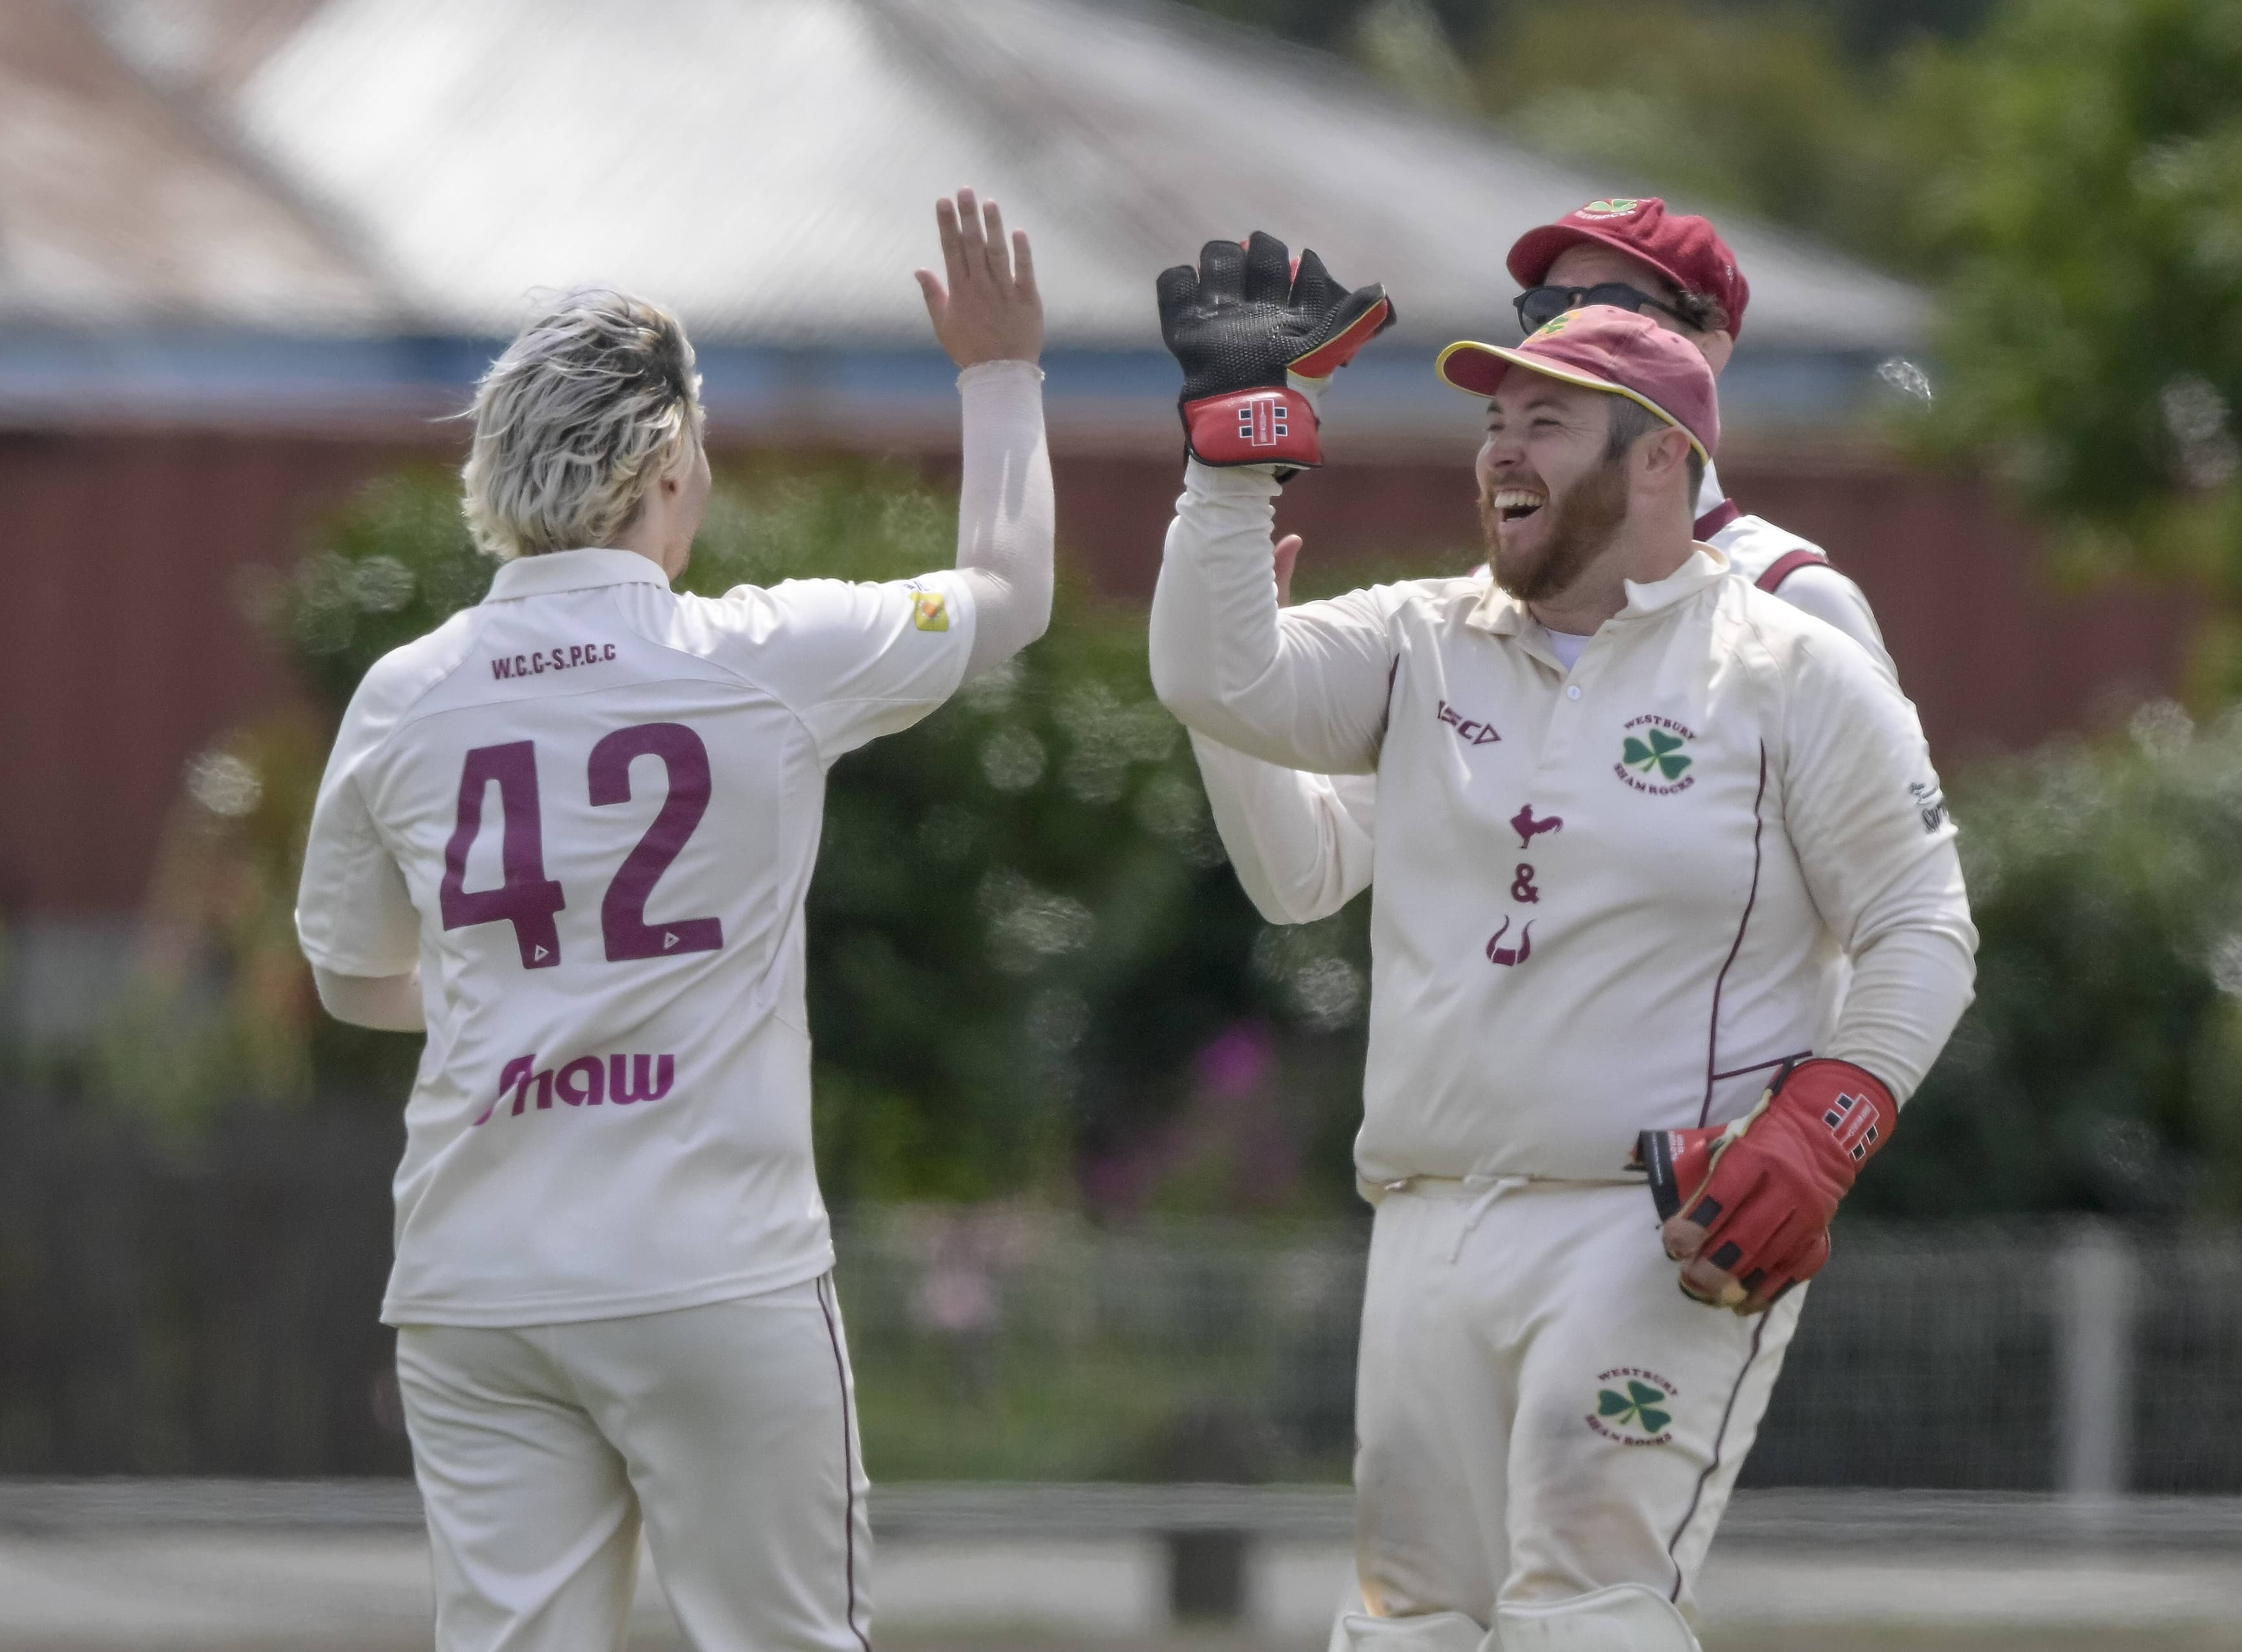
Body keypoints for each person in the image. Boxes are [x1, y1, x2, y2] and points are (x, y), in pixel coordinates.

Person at [1149, 237, 1976, 1650]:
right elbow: (1221, 680)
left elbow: (1920, 921)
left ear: (1659, 460)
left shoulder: (1790, 660)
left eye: (1545, 422)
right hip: (1426, 1213)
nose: (1499, 454)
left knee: (1586, 1608)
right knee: (1411, 1623)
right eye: (1491, 421)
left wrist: (1824, 1129)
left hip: (1651, 1220)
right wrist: (1230, 468)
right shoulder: (1425, 635)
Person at [293, 190, 1047, 1652]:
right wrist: (1000, 370)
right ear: (664, 464)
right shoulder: (761, 656)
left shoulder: (406, 692)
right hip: (713, 1271)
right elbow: (1008, 599)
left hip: (479, 1275)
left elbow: (349, 977)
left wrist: (525, 1010)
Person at [1191, 196, 1888, 927]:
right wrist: (1224, 669)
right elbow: (1301, 876)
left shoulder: (1794, 595)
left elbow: (1895, 911)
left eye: (1617, 302)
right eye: (1551, 306)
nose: (1576, 326)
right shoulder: (1478, 611)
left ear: (1711, 349)